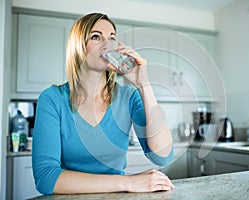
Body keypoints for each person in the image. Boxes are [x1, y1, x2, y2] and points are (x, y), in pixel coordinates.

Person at [32, 13, 174, 195]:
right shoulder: (53, 99)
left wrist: (142, 84)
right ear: (79, 47)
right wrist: (128, 182)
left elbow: (162, 156)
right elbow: (46, 178)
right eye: (96, 37)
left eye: (112, 38)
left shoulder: (128, 97)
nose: (107, 44)